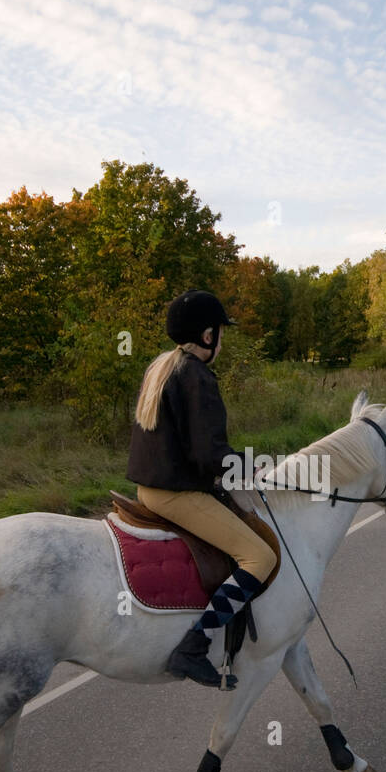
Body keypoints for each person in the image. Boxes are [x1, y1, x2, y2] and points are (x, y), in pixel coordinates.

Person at [126, 289, 277, 688]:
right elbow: (209, 455)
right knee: (259, 558)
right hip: (176, 494)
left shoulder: (161, 367)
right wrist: (253, 468)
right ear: (208, 336)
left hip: (149, 488)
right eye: (220, 333)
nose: (221, 340)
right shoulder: (197, 376)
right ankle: (194, 645)